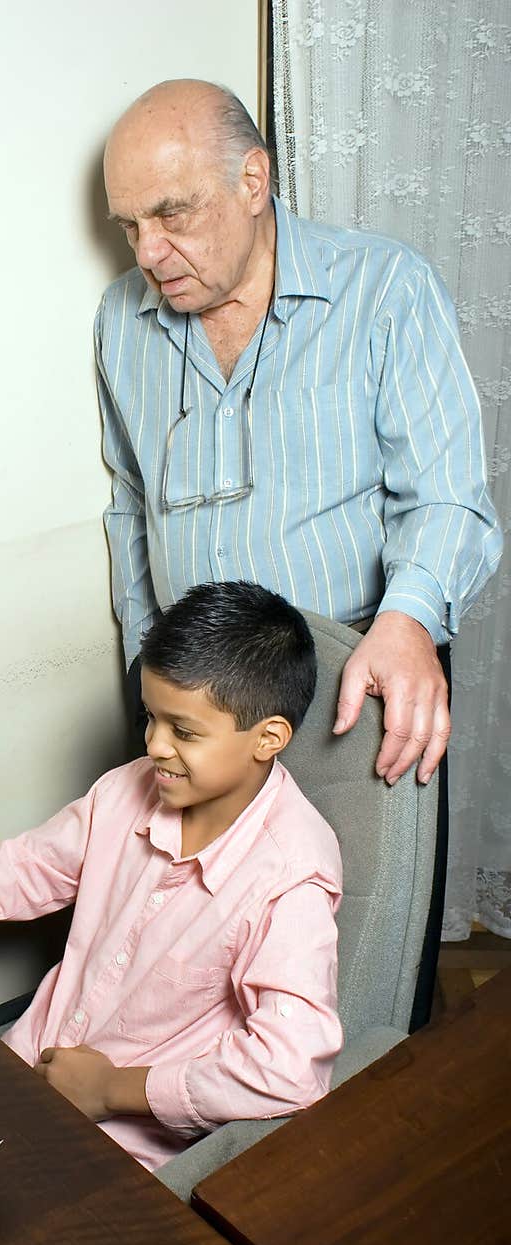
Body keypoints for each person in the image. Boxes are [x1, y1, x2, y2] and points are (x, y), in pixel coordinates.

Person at [96, 78, 502, 1026]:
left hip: (357, 674)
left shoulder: (385, 287)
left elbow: (450, 498)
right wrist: (141, 668)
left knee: (363, 976)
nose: (150, 254)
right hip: (195, 691)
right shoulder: (122, 319)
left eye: (172, 213)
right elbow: (129, 505)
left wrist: (408, 622)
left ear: (253, 179)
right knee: (214, 964)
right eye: (128, 227)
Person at [0, 580, 343, 1174]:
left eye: (184, 732)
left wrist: (115, 1089)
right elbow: (22, 870)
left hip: (119, 1143)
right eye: (151, 717)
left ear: (269, 737)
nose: (154, 744)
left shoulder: (292, 875)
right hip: (22, 1067)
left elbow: (292, 1067)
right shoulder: (129, 790)